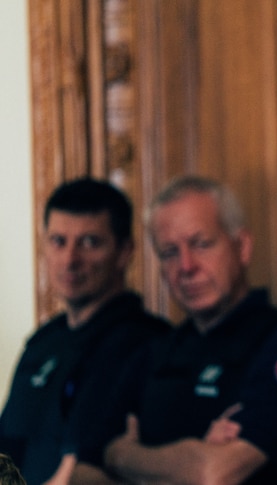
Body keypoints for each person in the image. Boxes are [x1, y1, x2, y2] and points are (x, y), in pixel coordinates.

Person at [71, 175, 277, 484]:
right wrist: (182, 457)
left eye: (201, 244)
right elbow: (83, 472)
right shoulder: (153, 353)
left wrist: (122, 455)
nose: (186, 266)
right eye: (170, 253)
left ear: (242, 247)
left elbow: (211, 473)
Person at [0, 178, 171, 485]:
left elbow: (79, 469)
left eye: (90, 242)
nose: (70, 259)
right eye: (58, 241)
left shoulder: (147, 343)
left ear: (124, 251)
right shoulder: (43, 343)